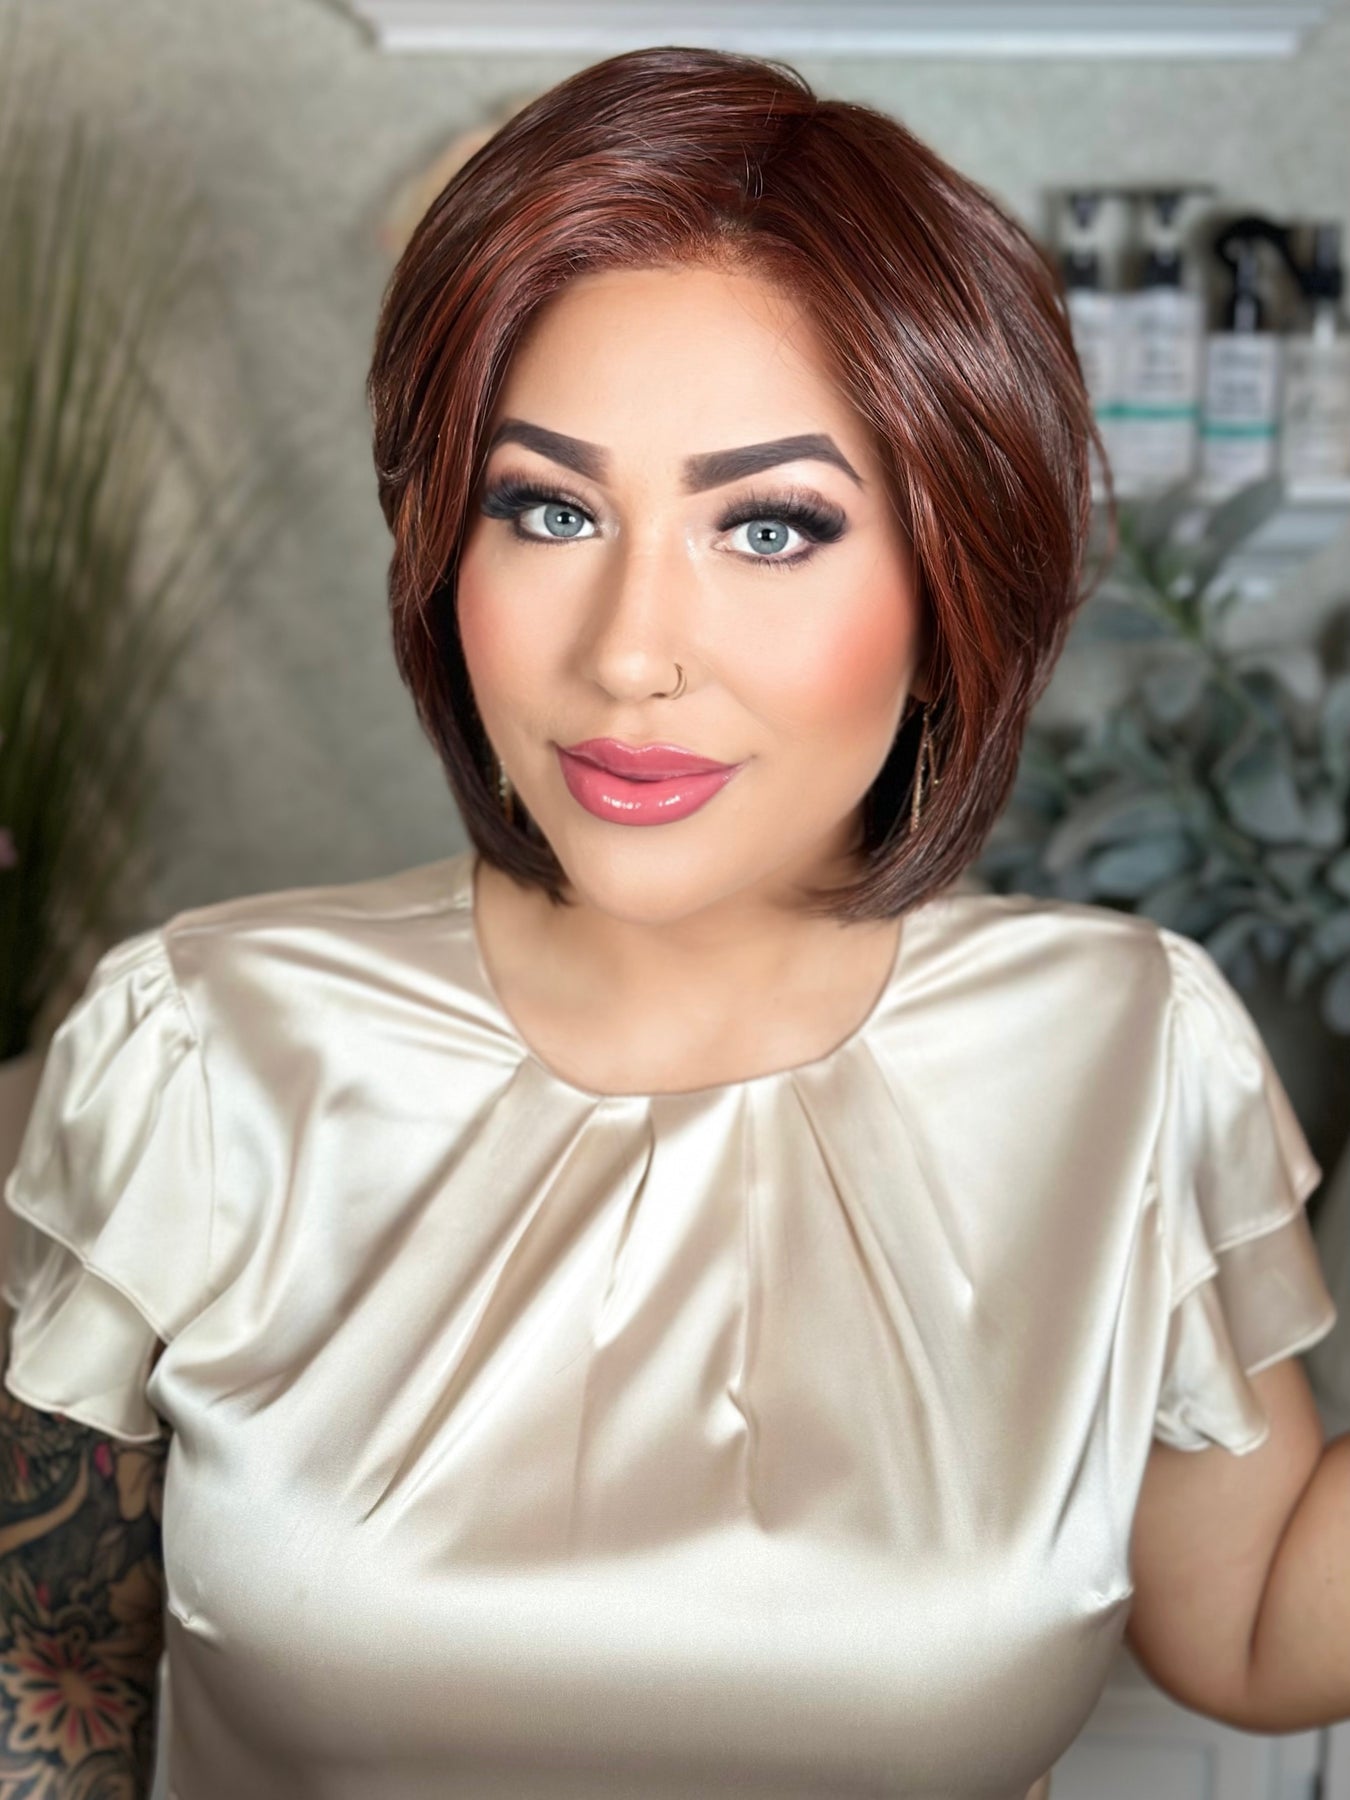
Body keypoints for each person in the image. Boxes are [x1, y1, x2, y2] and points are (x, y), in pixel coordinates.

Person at [1, 43, 1338, 1800]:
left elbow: (1249, 1632)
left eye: (769, 527)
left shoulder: (1123, 1053)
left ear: (954, 587)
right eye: (547, 509)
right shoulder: (199, 1047)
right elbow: (52, 1692)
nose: (630, 650)